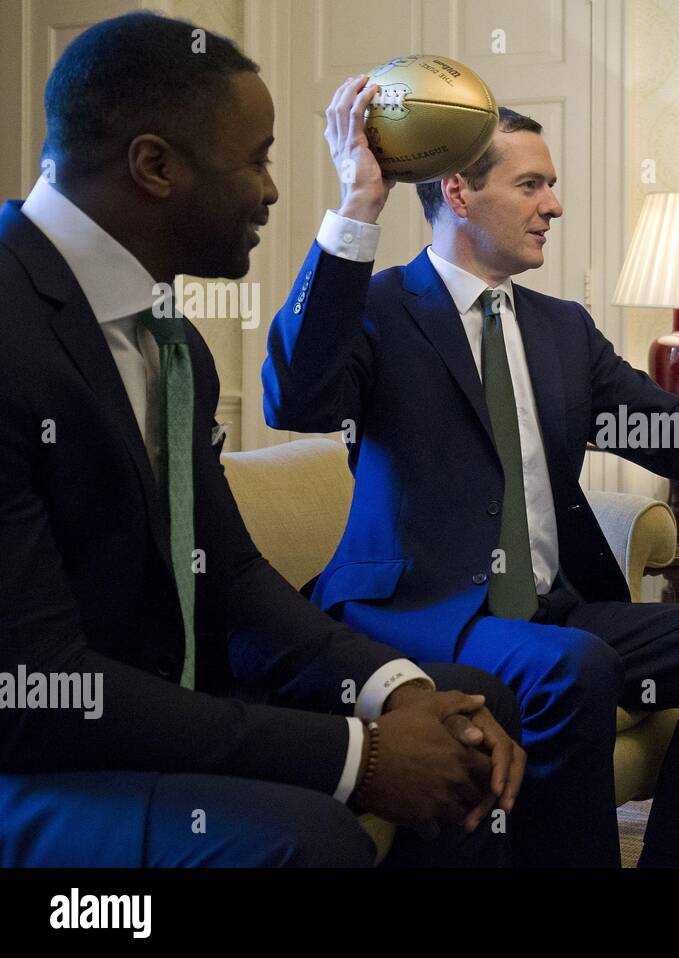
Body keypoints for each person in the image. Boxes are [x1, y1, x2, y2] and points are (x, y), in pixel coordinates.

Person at [263, 78, 679, 866]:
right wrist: (358, 206)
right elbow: (296, 395)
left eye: (552, 185)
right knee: (576, 668)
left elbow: (657, 420)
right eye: (531, 184)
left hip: (550, 608)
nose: (554, 206)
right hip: (414, 608)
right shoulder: (378, 308)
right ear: (459, 191)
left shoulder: (560, 328)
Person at [0, 12, 524, 868]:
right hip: (31, 756)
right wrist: (359, 759)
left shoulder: (173, 342)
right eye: (258, 160)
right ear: (155, 165)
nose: (273, 192)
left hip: (145, 711)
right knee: (303, 841)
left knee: (469, 712)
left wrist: (395, 691)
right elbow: (37, 690)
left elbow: (231, 576)